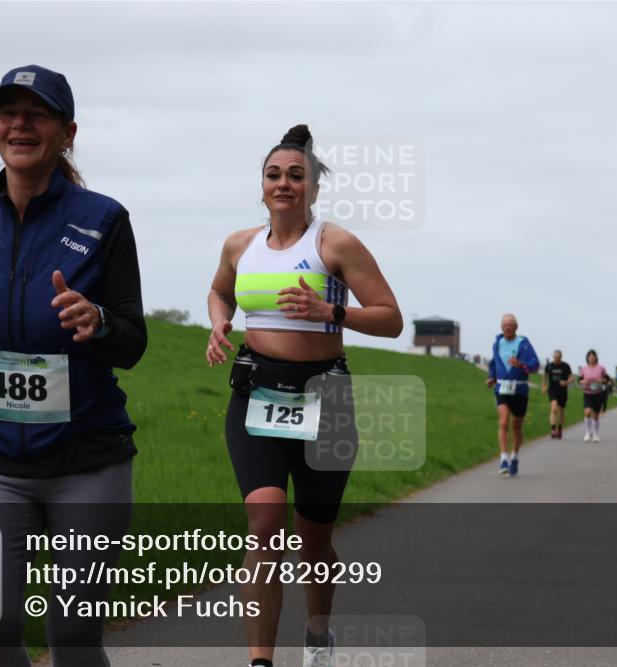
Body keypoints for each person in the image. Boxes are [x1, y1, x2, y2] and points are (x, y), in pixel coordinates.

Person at [0, 65, 147, 667]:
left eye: (37, 113)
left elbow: (132, 340)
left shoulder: (104, 219)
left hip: (88, 459)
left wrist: (97, 322)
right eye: (8, 113)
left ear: (66, 132)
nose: (20, 124)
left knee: (72, 637)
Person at [205, 124, 402, 667]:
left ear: (314, 188)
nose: (284, 184)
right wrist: (220, 323)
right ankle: (261, 661)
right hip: (256, 392)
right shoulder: (239, 245)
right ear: (261, 186)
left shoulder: (334, 244)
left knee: (314, 544)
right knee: (265, 524)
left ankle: (317, 638)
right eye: (274, 175)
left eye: (297, 175)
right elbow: (219, 290)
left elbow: (391, 319)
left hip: (325, 401)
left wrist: (331, 312)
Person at [485, 314, 541, 476]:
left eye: (510, 325)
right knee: (503, 422)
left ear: (516, 327)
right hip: (502, 388)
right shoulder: (497, 344)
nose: (507, 328)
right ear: (501, 327)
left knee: (516, 426)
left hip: (520, 390)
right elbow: (494, 364)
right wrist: (491, 377)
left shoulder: (524, 344)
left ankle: (514, 456)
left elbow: (535, 365)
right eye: (504, 325)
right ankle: (503, 458)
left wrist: (521, 365)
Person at [541, 350, 573, 439]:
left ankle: (559, 429)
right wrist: (544, 386)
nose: (556, 359)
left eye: (558, 357)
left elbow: (571, 378)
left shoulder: (565, 366)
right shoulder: (549, 366)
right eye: (555, 357)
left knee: (561, 411)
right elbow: (544, 376)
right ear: (553, 357)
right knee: (554, 408)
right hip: (552, 389)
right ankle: (553, 430)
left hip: (562, 390)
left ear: (561, 357)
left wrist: (566, 382)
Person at [578, 350, 608, 442]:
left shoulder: (601, 368)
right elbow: (579, 380)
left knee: (596, 416)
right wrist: (583, 381)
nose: (591, 358)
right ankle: (588, 432)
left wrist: (601, 380)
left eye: (593, 356)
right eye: (589, 356)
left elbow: (607, 379)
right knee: (587, 412)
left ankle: (596, 434)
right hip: (587, 393)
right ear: (587, 358)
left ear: (596, 358)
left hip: (598, 393)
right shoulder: (584, 369)